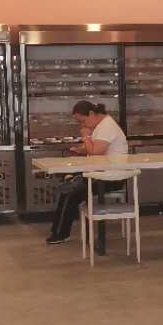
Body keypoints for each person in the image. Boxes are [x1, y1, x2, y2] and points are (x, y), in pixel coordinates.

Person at [45, 100, 128, 244]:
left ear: (91, 113)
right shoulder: (102, 125)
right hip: (100, 173)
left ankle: (60, 234)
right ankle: (60, 231)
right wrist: (81, 149)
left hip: (111, 178)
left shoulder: (107, 126)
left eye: (82, 121)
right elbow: (96, 148)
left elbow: (96, 151)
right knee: (68, 186)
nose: (82, 125)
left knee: (70, 193)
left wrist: (86, 136)